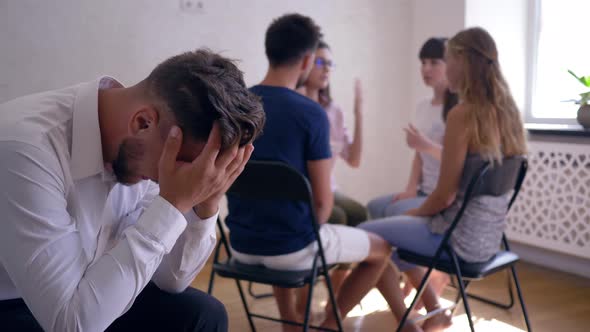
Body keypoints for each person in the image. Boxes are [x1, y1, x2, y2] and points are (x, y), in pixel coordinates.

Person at [0, 49, 265, 332]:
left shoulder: (147, 146)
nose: (182, 178)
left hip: (83, 290)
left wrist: (205, 202)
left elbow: (171, 280)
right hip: (14, 304)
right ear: (143, 122)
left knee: (202, 314)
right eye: (186, 164)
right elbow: (72, 325)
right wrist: (173, 203)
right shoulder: (25, 148)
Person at [224, 13, 391, 332]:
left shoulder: (237, 105)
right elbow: (324, 206)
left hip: (240, 245)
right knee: (381, 248)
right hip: (292, 248)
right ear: (306, 61)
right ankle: (328, 323)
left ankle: (291, 322)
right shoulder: (311, 114)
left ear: (269, 51)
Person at [356, 27, 528, 332]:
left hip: (456, 239)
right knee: (390, 230)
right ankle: (432, 310)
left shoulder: (463, 114)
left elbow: (444, 197)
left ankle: (404, 322)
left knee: (367, 235)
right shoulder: (508, 113)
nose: (444, 67)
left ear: (461, 62)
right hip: (489, 239)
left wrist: (411, 213)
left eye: (446, 60)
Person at [367, 37, 458, 304]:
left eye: (434, 62)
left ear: (449, 65)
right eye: (423, 63)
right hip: (421, 189)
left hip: (443, 196)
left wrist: (425, 145)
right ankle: (417, 275)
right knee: (376, 206)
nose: (426, 69)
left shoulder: (457, 111)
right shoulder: (422, 106)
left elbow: (457, 162)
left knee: (391, 216)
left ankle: (430, 277)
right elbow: (418, 156)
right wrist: (409, 188)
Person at [298, 40, 368, 294]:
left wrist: (359, 113)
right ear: (304, 64)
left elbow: (354, 159)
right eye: (319, 62)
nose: (326, 69)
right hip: (305, 189)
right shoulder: (295, 104)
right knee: (339, 217)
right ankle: (306, 287)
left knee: (359, 214)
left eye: (329, 64)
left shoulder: (333, 110)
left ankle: (336, 298)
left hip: (329, 187)